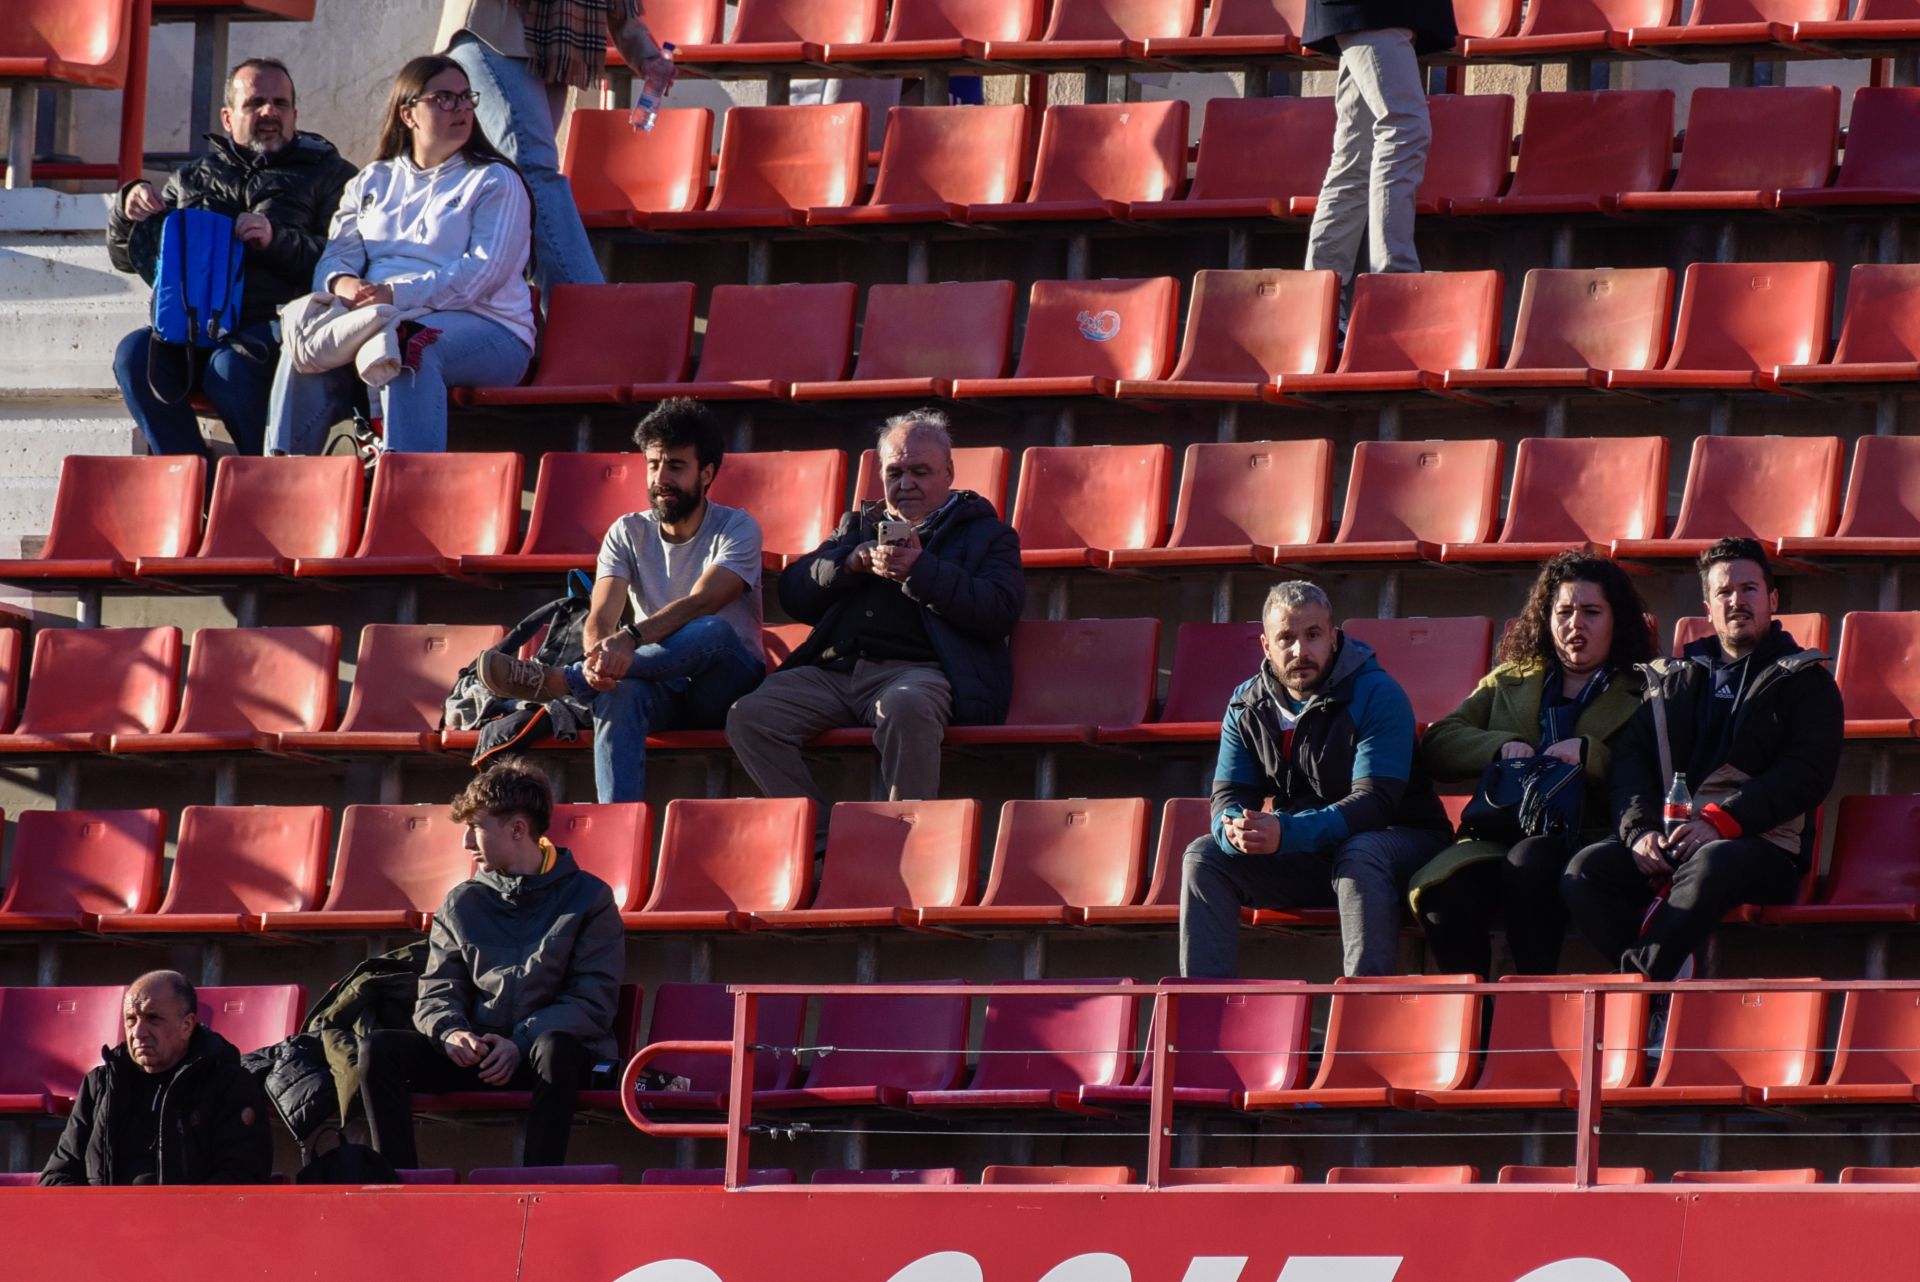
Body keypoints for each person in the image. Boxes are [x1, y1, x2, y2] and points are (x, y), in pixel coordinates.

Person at [1563, 538, 1843, 981]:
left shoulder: (1807, 680)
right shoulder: (1675, 678)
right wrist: (1639, 831)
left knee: (1712, 864)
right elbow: (1632, 763)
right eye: (1724, 592)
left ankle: (1638, 987)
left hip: (1762, 847)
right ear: (1708, 608)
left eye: (1749, 589)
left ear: (1772, 600)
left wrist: (1720, 821)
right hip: (1672, 838)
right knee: (1584, 872)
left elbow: (1805, 774)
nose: (1737, 601)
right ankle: (1667, 975)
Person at [726, 410, 1024, 820]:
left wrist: (921, 571)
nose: (906, 484)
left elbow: (999, 611)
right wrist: (847, 564)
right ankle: (822, 838)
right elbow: (793, 594)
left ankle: (904, 837)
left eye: (920, 471)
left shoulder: (987, 535)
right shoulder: (857, 527)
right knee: (749, 717)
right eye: (894, 473)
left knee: (907, 707)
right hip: (836, 673)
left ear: (949, 473)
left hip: (919, 672)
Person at [477, 398, 767, 804]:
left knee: (711, 629)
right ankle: (618, 822)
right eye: (653, 465)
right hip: (658, 684)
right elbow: (601, 614)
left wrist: (627, 640)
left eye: (675, 466)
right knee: (618, 693)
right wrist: (599, 659)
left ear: (706, 473)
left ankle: (567, 682)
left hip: (727, 686)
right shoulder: (626, 532)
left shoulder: (738, 526)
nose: (660, 478)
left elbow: (704, 601)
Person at [1181, 582, 1453, 978]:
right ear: (1266, 646)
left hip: (1403, 841)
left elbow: (1375, 803)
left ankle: (1363, 1003)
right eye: (1286, 639)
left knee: (1361, 851)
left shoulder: (1378, 694)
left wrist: (1287, 833)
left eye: (1312, 635)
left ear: (1334, 638)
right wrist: (1236, 831)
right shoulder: (1246, 704)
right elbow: (1230, 794)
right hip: (1312, 850)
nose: (1300, 651)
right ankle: (1199, 1009)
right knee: (1204, 856)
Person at [358, 761, 623, 1168]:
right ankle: (395, 1183)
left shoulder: (590, 898)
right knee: (378, 1049)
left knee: (555, 1049)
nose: (466, 842)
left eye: (476, 828)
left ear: (517, 829)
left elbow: (592, 1001)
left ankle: (537, 1185)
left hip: (541, 1054)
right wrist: (451, 1032)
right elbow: (437, 991)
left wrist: (520, 1042)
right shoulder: (462, 901)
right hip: (479, 1053)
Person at [266, 55, 534, 456]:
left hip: (489, 327)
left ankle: (406, 481)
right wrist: (344, 284)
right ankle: (282, 477)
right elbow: (335, 257)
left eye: (466, 97)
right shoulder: (372, 180)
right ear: (408, 114)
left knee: (409, 343)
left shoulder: (495, 179)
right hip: (379, 315)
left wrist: (394, 295)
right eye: (444, 98)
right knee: (305, 341)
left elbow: (482, 274)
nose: (461, 108)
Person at [1412, 553, 1655, 977]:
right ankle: (1473, 1011)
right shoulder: (1510, 679)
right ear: (1546, 618)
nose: (1575, 624)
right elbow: (1438, 745)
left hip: (1591, 837)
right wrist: (1499, 745)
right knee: (1444, 891)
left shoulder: (1647, 689)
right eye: (1564, 612)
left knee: (1530, 861)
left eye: (1591, 612)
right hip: (1499, 831)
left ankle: (1529, 997)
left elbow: (1655, 772)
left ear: (1617, 620)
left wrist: (1589, 753)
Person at [106, 58, 355, 461]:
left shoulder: (332, 175)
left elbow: (345, 258)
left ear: (295, 115)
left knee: (230, 367)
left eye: (280, 103)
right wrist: (127, 211)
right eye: (255, 103)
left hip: (277, 323)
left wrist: (276, 239)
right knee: (135, 355)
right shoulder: (190, 177)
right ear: (227, 117)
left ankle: (270, 479)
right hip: (192, 326)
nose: (269, 112)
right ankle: (193, 479)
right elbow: (130, 260)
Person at [435, 0, 676, 294]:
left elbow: (617, 7)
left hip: (555, 47)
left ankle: (496, 303)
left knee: (513, 183)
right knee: (531, 170)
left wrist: (646, 55)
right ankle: (587, 303)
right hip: (492, 30)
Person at [40, 971, 273, 1185]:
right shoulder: (101, 1084)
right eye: (131, 1019)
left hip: (189, 1217)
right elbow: (57, 1176)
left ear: (186, 1025)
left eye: (153, 1019)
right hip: (105, 1216)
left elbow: (242, 1177)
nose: (138, 1032)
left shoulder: (229, 1084)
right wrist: (99, 1214)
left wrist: (172, 1214)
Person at [1300, 0, 1456, 318]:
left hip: (1377, 13)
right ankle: (1394, 287)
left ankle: (1319, 310)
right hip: (1372, 10)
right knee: (1404, 129)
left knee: (1356, 156)